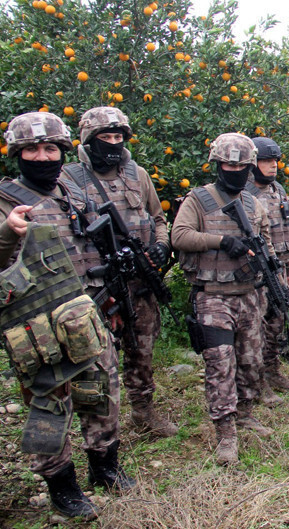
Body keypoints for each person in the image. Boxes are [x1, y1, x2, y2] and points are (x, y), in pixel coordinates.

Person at [0, 112, 134, 519]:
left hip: (88, 315)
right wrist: (8, 232)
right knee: (49, 406)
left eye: (50, 148)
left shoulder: (72, 192)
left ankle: (104, 468)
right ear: (17, 154)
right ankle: (61, 486)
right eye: (31, 150)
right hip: (38, 326)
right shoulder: (6, 200)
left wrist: (109, 303)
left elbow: (94, 251)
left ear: (62, 150)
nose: (42, 157)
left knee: (102, 394)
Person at [61, 106, 177, 438]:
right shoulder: (68, 179)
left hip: (138, 282)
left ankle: (143, 411)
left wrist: (160, 245)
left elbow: (158, 219)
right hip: (94, 286)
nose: (113, 143)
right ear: (88, 139)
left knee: (142, 349)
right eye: (105, 137)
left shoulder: (136, 174)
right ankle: (97, 430)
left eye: (118, 137)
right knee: (93, 360)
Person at [172, 133, 274, 465]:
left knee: (250, 361)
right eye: (228, 164)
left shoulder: (253, 204)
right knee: (220, 363)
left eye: (241, 166)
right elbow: (180, 236)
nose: (234, 170)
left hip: (248, 295)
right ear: (218, 165)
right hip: (212, 296)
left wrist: (271, 269)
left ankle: (245, 413)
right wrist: (220, 240)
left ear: (249, 168)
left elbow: (267, 244)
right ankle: (225, 432)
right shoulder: (198, 200)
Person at [246, 136, 289, 407]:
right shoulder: (244, 194)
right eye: (267, 161)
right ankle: (257, 382)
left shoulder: (277, 189)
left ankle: (272, 371)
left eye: (276, 161)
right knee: (257, 325)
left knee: (277, 320)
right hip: (258, 271)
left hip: (283, 265)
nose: (273, 166)